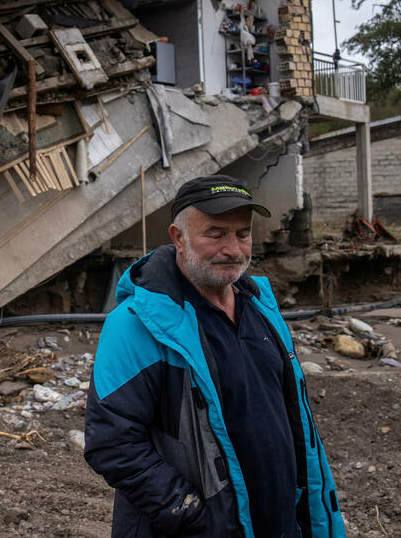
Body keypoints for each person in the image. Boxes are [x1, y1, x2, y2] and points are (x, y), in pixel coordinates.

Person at [84, 175, 344, 537]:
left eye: (243, 234)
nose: (234, 249)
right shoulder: (136, 325)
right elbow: (112, 444)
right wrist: (195, 518)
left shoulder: (261, 307)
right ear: (178, 237)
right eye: (216, 233)